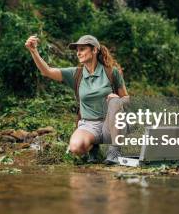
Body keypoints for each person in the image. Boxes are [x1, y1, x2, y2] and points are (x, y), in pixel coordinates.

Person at [25, 34, 129, 164]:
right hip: (89, 125)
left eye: (82, 49)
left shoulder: (111, 72)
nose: (78, 53)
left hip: (112, 125)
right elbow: (47, 71)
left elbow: (126, 98)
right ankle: (94, 147)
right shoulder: (76, 74)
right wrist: (33, 51)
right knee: (75, 147)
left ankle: (115, 151)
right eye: (77, 50)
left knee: (115, 101)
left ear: (94, 50)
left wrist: (117, 99)